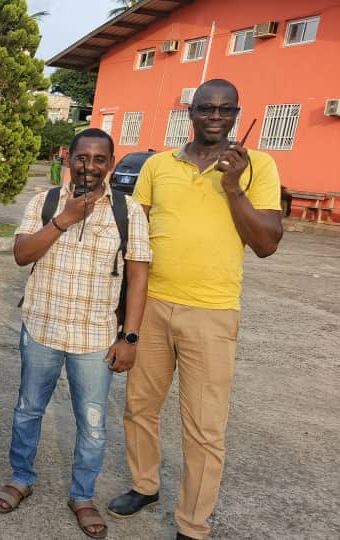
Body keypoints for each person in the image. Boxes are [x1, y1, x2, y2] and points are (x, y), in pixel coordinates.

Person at [106, 79, 283, 540]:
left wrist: (233, 187)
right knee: (139, 407)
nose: (215, 116)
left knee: (204, 426)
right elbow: (135, 244)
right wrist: (125, 316)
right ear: (192, 111)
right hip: (153, 306)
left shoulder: (258, 167)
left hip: (213, 312)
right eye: (207, 107)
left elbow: (265, 244)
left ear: (237, 114)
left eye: (225, 109)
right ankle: (145, 484)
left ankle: (192, 523)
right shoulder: (158, 166)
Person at [0, 128, 151, 539]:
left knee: (93, 423)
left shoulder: (129, 211)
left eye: (100, 159)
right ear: (69, 159)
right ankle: (21, 477)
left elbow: (138, 278)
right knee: (29, 409)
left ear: (111, 164)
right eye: (83, 158)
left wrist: (129, 337)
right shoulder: (44, 202)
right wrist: (64, 219)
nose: (90, 167)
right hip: (42, 327)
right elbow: (21, 254)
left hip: (96, 337)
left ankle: (82, 495)